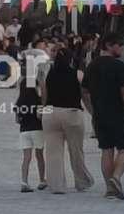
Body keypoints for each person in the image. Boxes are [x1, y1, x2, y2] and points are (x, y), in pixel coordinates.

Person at [82, 32, 124, 201]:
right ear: (108, 45)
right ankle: (116, 177)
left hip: (100, 115)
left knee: (106, 150)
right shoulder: (118, 66)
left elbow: (84, 91)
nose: (122, 48)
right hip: (118, 113)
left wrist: (92, 110)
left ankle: (110, 189)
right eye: (119, 45)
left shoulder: (92, 65)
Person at [39, 48, 93, 194]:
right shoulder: (78, 74)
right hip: (72, 113)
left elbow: (44, 95)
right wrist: (92, 113)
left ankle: (57, 186)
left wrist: (42, 111)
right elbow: (85, 96)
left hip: (51, 113)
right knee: (76, 151)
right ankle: (82, 182)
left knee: (53, 152)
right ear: (71, 60)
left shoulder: (48, 73)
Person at [14, 73, 47, 192]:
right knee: (39, 156)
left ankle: (24, 182)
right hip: (37, 129)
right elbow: (39, 116)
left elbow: (17, 120)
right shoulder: (38, 101)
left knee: (26, 158)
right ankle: (42, 180)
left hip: (24, 131)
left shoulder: (19, 103)